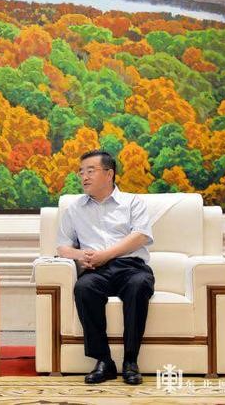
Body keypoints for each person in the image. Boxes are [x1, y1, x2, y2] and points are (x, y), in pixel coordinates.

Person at [56, 150, 154, 385]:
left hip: (131, 267)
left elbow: (140, 236)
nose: (84, 177)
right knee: (84, 288)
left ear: (109, 174)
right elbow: (62, 247)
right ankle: (104, 361)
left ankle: (130, 361)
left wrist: (105, 255)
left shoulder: (132, 202)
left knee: (139, 285)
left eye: (90, 171)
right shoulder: (74, 209)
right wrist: (82, 255)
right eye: (81, 172)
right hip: (96, 271)